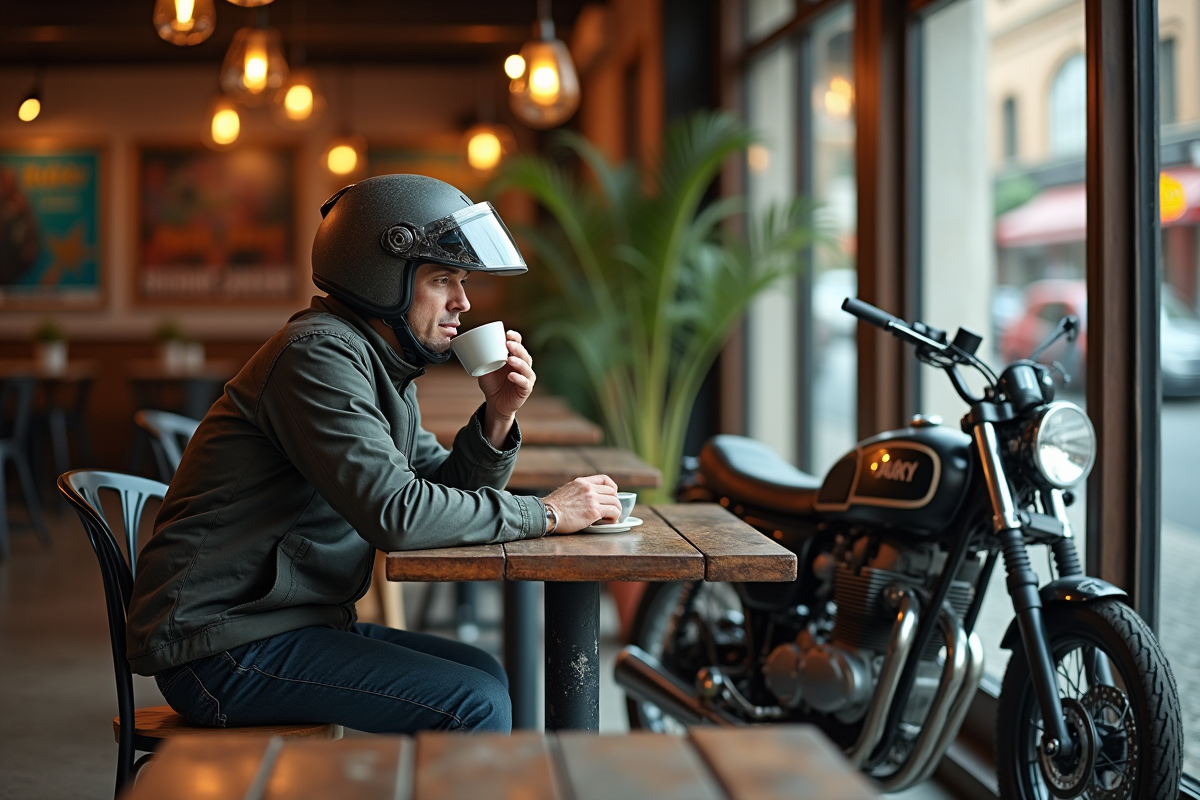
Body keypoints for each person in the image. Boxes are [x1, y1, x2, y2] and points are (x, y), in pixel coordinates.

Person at [126, 174, 623, 735]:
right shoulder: (317, 357)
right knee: (475, 702)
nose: (463, 302)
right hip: (220, 645)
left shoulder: (380, 366)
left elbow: (443, 490)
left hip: (287, 623)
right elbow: (398, 514)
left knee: (482, 671)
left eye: (462, 282)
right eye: (442, 279)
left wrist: (498, 415)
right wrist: (548, 513)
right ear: (381, 279)